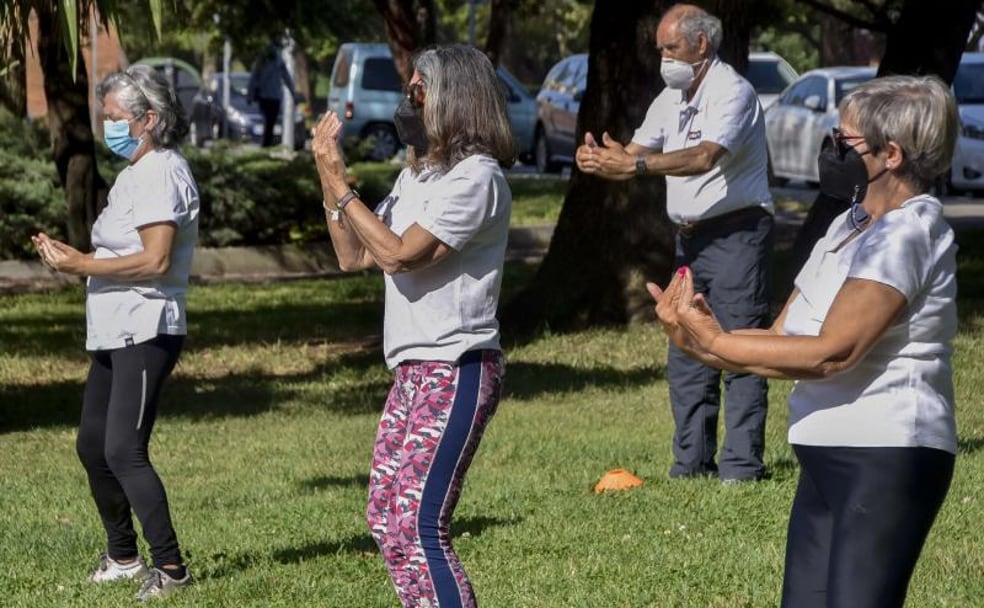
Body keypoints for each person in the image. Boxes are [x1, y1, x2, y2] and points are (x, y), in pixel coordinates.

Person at [649, 74, 960, 608]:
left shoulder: (908, 232)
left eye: (844, 142)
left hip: (885, 455)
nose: (830, 150)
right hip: (826, 454)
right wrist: (693, 339)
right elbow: (781, 341)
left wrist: (718, 342)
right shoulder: (848, 224)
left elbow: (832, 352)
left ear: (890, 154)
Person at [310, 44, 514, 608]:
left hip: (456, 369)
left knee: (421, 527)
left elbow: (400, 254)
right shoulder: (418, 177)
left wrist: (342, 184)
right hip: (413, 370)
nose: (409, 100)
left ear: (453, 99)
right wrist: (331, 185)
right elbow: (356, 256)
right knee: (387, 520)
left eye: (419, 90)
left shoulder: (477, 179)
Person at [575, 3, 773, 482]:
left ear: (701, 44)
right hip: (688, 240)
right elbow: (637, 151)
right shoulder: (672, 96)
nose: (662, 57)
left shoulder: (734, 93)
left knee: (739, 348)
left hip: (737, 234)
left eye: (670, 47)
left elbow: (705, 157)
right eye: (660, 48)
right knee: (686, 350)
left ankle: (741, 469)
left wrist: (635, 167)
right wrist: (601, 157)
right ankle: (691, 466)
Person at [31, 65, 199, 602]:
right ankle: (123, 556)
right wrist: (76, 260)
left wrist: (82, 263)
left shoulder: (161, 173)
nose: (109, 127)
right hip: (114, 330)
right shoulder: (136, 172)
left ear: (149, 120)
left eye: (116, 118)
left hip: (146, 328)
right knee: (92, 446)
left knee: (124, 449)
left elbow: (154, 261)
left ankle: (171, 568)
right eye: (107, 118)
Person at [248, 38, 296, 147]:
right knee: (268, 121)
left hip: (272, 96)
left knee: (270, 121)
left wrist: (293, 94)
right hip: (267, 96)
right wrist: (250, 95)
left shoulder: (277, 60)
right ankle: (266, 143)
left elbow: (287, 78)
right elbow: (254, 78)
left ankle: (266, 143)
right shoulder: (263, 60)